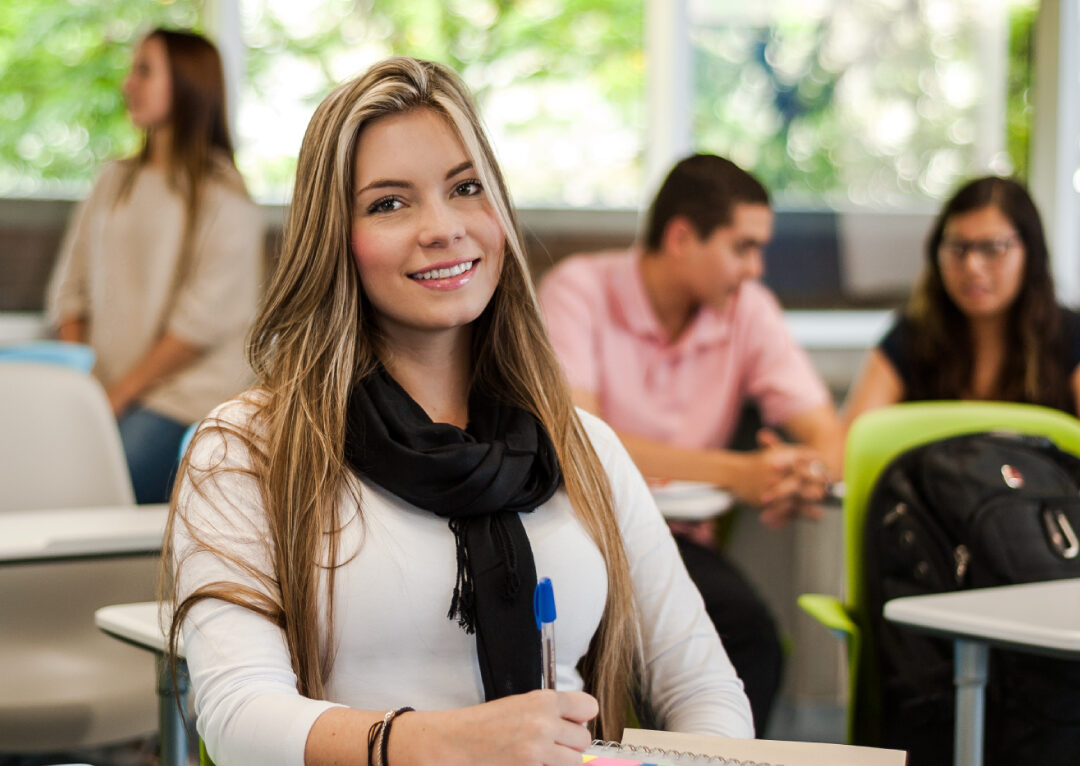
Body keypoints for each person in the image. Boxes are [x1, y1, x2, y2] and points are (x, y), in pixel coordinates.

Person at [165, 57, 754, 766]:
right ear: (333, 238)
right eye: (389, 203)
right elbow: (237, 719)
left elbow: (704, 687)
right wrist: (440, 742)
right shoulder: (247, 449)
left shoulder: (581, 448)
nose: (442, 228)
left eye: (465, 189)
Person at [537, 153, 844, 733]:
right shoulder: (577, 290)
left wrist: (804, 474)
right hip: (589, 534)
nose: (755, 268)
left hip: (679, 545)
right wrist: (740, 473)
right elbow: (583, 443)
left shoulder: (747, 310)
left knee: (751, 637)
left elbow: (826, 432)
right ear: (681, 237)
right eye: (742, 247)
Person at [47, 28, 263, 504]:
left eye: (144, 71)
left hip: (179, 400)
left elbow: (196, 327)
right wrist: (80, 389)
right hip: (103, 393)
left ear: (187, 84)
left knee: (89, 489)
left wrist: (110, 402)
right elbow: (71, 289)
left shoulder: (226, 199)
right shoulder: (113, 181)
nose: (128, 84)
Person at [843, 175, 1080, 423]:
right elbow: (854, 443)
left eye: (992, 248)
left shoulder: (1070, 335)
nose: (972, 266)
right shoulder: (911, 336)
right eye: (957, 247)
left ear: (1031, 254)